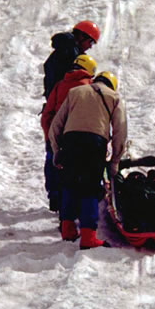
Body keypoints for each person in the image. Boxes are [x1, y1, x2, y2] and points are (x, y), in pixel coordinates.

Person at [48, 71, 127, 249]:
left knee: (70, 184)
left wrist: (56, 151)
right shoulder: (113, 97)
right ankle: (88, 237)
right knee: (89, 188)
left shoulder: (75, 92)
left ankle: (67, 229)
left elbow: (56, 125)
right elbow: (120, 132)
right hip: (94, 143)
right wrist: (115, 161)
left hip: (70, 141)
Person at [40, 54, 97, 213]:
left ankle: (55, 197)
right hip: (80, 136)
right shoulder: (90, 87)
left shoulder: (59, 85)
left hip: (56, 134)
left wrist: (49, 137)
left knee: (53, 163)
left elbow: (47, 114)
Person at [42, 20, 100, 99]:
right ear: (82, 36)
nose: (90, 46)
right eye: (91, 42)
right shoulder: (68, 51)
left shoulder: (66, 48)